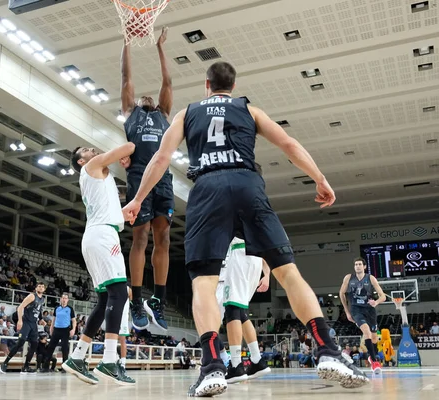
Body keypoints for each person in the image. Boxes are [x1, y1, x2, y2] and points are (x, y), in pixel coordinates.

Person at [121, 61, 369, 396]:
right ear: (232, 87)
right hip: (247, 184)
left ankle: (211, 368)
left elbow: (161, 159)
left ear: (206, 85)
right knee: (288, 272)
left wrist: (137, 199)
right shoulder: (248, 110)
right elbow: (290, 145)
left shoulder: (186, 114)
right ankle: (327, 349)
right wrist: (320, 178)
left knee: (204, 285)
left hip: (207, 189)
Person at [61, 143, 136, 386]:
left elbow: (108, 209)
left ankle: (78, 357)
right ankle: (110, 360)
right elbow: (129, 146)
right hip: (103, 236)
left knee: (105, 299)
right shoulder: (92, 166)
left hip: (97, 234)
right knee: (119, 293)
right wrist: (127, 154)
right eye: (84, 149)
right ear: (81, 161)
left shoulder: (99, 178)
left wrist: (124, 213)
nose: (91, 149)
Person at [120, 27, 174, 331]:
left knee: (163, 238)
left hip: (163, 179)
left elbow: (167, 81)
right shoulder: (131, 113)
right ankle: (137, 300)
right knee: (139, 238)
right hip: (139, 178)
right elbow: (127, 79)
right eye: (144, 96)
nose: (148, 96)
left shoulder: (164, 112)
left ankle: (159, 299)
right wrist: (126, 42)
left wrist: (159, 47)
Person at [219, 237, 272, 383]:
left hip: (239, 256)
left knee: (232, 310)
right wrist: (267, 275)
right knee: (241, 313)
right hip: (255, 260)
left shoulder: (231, 216)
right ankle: (257, 360)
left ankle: (236, 365)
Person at [339, 257, 386, 374]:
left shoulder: (370, 278)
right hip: (356, 309)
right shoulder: (349, 278)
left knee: (374, 338)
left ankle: (372, 356)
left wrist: (376, 302)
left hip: (369, 310)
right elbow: (341, 293)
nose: (357, 266)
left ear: (364, 266)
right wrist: (347, 311)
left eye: (360, 264)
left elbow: (383, 296)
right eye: (356, 264)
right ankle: (374, 361)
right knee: (366, 331)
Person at [0, 282, 45, 374]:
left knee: (35, 345)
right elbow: (20, 307)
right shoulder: (32, 296)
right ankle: (4, 363)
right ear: (36, 288)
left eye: (42, 287)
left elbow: (39, 310)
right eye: (39, 286)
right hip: (26, 322)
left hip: (34, 324)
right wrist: (20, 320)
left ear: (44, 289)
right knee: (20, 342)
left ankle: (26, 367)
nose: (41, 288)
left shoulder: (42, 299)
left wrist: (41, 319)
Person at [43, 293, 76, 372]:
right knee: (50, 347)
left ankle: (64, 368)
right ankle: (45, 367)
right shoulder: (57, 308)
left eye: (65, 298)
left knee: (65, 348)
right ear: (61, 299)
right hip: (56, 329)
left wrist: (73, 329)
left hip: (65, 330)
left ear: (67, 300)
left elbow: (74, 320)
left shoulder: (70, 309)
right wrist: (51, 328)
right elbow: (54, 319)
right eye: (63, 298)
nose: (64, 300)